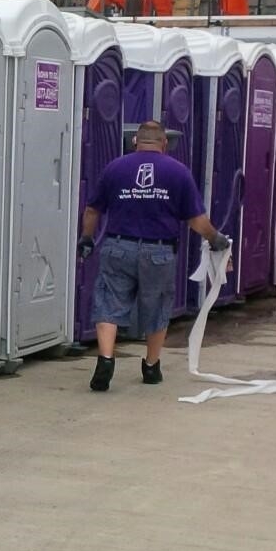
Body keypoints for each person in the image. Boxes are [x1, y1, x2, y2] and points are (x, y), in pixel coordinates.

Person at [80, 120, 229, 392]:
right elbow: (196, 220)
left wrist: (87, 239)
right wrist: (215, 239)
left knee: (108, 303)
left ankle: (105, 359)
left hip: (118, 247)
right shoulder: (178, 172)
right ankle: (151, 366)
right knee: (157, 307)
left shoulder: (115, 167)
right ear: (164, 144)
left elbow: (92, 210)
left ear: (135, 141)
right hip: (158, 251)